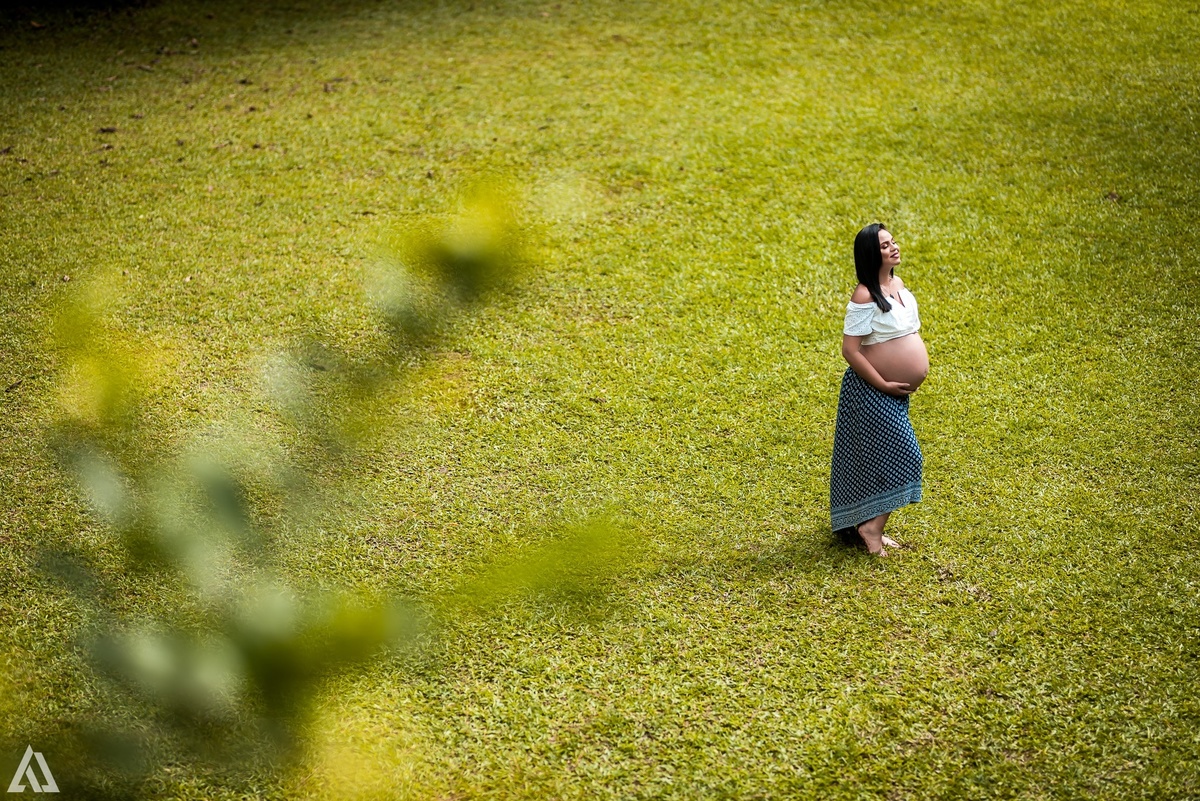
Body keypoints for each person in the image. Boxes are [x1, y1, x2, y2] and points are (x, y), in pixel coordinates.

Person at [830, 223, 929, 555]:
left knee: (877, 458)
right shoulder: (864, 294)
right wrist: (884, 382)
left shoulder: (898, 284)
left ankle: (868, 524)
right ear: (872, 254)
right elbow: (850, 350)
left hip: (894, 394)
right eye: (885, 246)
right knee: (905, 454)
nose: (894, 248)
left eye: (893, 242)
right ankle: (871, 529)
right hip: (871, 392)